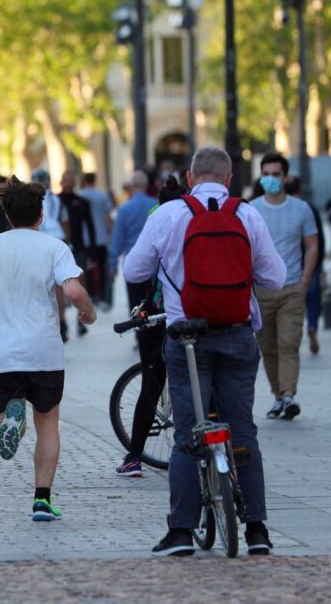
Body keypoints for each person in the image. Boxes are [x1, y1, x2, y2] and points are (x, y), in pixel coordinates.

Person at [124, 146, 286, 557]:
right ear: (229, 178)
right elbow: (276, 278)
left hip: (186, 338)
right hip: (236, 335)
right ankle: (257, 531)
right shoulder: (247, 214)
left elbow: (134, 271)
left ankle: (180, 532)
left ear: (191, 178)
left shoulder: (168, 215)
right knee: (243, 430)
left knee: (187, 434)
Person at [0, 177, 96, 522]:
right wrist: (88, 313)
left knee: (7, 417)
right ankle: (42, 500)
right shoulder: (54, 247)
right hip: (43, 351)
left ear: (6, 214)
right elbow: (75, 290)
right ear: (41, 214)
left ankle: (11, 421)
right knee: (48, 424)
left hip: (2, 354)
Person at [115, 176, 188, 478]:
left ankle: (134, 457)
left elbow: (135, 270)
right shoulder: (194, 218)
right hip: (197, 313)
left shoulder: (156, 218)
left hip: (160, 313)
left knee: (152, 384)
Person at [251, 153, 318, 420]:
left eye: (275, 174)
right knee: (268, 347)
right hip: (262, 290)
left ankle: (289, 394)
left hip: (291, 287)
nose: (270, 179)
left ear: (285, 177)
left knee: (288, 343)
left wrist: (304, 281)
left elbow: (312, 244)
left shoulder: (301, 209)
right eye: (265, 174)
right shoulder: (252, 209)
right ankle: (278, 396)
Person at [285, 176, 326, 354]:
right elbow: (319, 240)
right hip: (310, 261)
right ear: (300, 190)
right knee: (313, 299)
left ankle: (292, 334)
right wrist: (320, 263)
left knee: (291, 302)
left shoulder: (285, 210)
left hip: (290, 264)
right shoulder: (309, 209)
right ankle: (312, 326)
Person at [108, 170, 157, 311]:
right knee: (153, 305)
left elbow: (117, 239)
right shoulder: (156, 205)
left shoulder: (124, 209)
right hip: (154, 262)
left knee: (136, 306)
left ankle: (139, 331)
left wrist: (112, 264)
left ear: (131, 186)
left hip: (132, 262)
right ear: (146, 185)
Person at [59, 170, 97, 336]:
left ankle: (80, 319)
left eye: (70, 179)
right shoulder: (55, 201)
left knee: (80, 283)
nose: (67, 182)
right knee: (58, 288)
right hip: (59, 247)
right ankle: (62, 322)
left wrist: (92, 252)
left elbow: (90, 226)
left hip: (79, 247)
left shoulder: (82, 202)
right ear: (60, 182)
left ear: (75, 182)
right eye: (64, 180)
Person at [78, 172, 115, 309]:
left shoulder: (80, 195)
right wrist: (111, 234)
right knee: (101, 268)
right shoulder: (102, 195)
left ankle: (90, 296)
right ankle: (103, 297)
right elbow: (108, 216)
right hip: (101, 237)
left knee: (85, 270)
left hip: (85, 238)